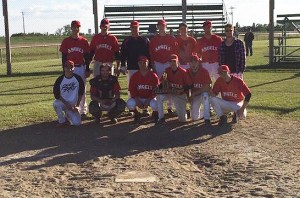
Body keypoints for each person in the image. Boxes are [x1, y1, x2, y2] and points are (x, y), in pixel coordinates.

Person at [59, 20, 91, 119]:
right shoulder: (66, 41)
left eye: (77, 27)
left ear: (79, 28)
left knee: (82, 89)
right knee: (70, 88)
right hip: (69, 68)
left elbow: (87, 57)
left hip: (80, 67)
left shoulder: (84, 41)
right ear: (71, 28)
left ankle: (82, 111)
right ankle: (69, 109)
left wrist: (87, 68)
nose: (75, 29)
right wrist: (64, 69)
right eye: (74, 27)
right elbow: (64, 56)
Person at [149, 19, 178, 115]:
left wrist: (174, 64)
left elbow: (175, 52)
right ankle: (157, 107)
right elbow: (152, 54)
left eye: (163, 25)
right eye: (160, 25)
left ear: (166, 26)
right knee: (158, 84)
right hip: (158, 63)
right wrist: (153, 65)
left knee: (170, 83)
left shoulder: (171, 38)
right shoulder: (154, 40)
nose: (162, 27)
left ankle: (170, 107)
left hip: (169, 63)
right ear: (157, 27)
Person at [156, 54, 192, 124]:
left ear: (178, 62)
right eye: (170, 62)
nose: (172, 63)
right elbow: (160, 84)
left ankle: (186, 112)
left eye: (174, 61)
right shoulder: (167, 71)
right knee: (159, 97)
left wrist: (182, 91)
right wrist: (161, 86)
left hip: (180, 94)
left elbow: (190, 85)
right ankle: (161, 118)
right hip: (170, 93)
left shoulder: (183, 72)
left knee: (182, 120)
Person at [120, 20, 150, 98]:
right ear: (130, 28)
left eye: (136, 27)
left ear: (138, 28)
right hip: (131, 66)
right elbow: (123, 54)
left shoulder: (145, 40)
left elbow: (149, 54)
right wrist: (123, 65)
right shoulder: (127, 41)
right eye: (133, 27)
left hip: (144, 67)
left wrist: (150, 66)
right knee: (131, 86)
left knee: (144, 86)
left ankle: (144, 107)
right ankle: (132, 106)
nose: (134, 29)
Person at [127, 56, 160, 122]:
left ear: (147, 63)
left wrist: (149, 99)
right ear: (138, 64)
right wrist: (137, 100)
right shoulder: (135, 76)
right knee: (130, 103)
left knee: (156, 104)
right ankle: (137, 114)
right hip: (138, 98)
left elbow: (156, 90)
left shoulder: (153, 75)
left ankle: (155, 114)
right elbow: (132, 90)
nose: (142, 64)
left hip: (150, 98)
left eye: (144, 62)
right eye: (140, 63)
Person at [53, 60, 84, 127]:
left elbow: (81, 93)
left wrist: (77, 105)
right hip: (63, 102)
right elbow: (57, 95)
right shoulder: (60, 79)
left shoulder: (78, 79)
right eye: (67, 67)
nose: (69, 69)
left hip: (73, 104)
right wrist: (67, 104)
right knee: (56, 103)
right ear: (64, 68)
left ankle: (68, 116)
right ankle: (62, 121)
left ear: (74, 68)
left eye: (71, 67)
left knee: (77, 123)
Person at [187, 54, 212, 125]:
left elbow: (207, 87)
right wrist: (189, 96)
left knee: (205, 95)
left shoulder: (204, 71)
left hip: (204, 93)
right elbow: (187, 86)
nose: (193, 64)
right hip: (196, 96)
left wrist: (194, 93)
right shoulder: (187, 72)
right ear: (189, 63)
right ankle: (204, 113)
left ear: (198, 62)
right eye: (191, 62)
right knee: (194, 117)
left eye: (195, 62)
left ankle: (207, 118)